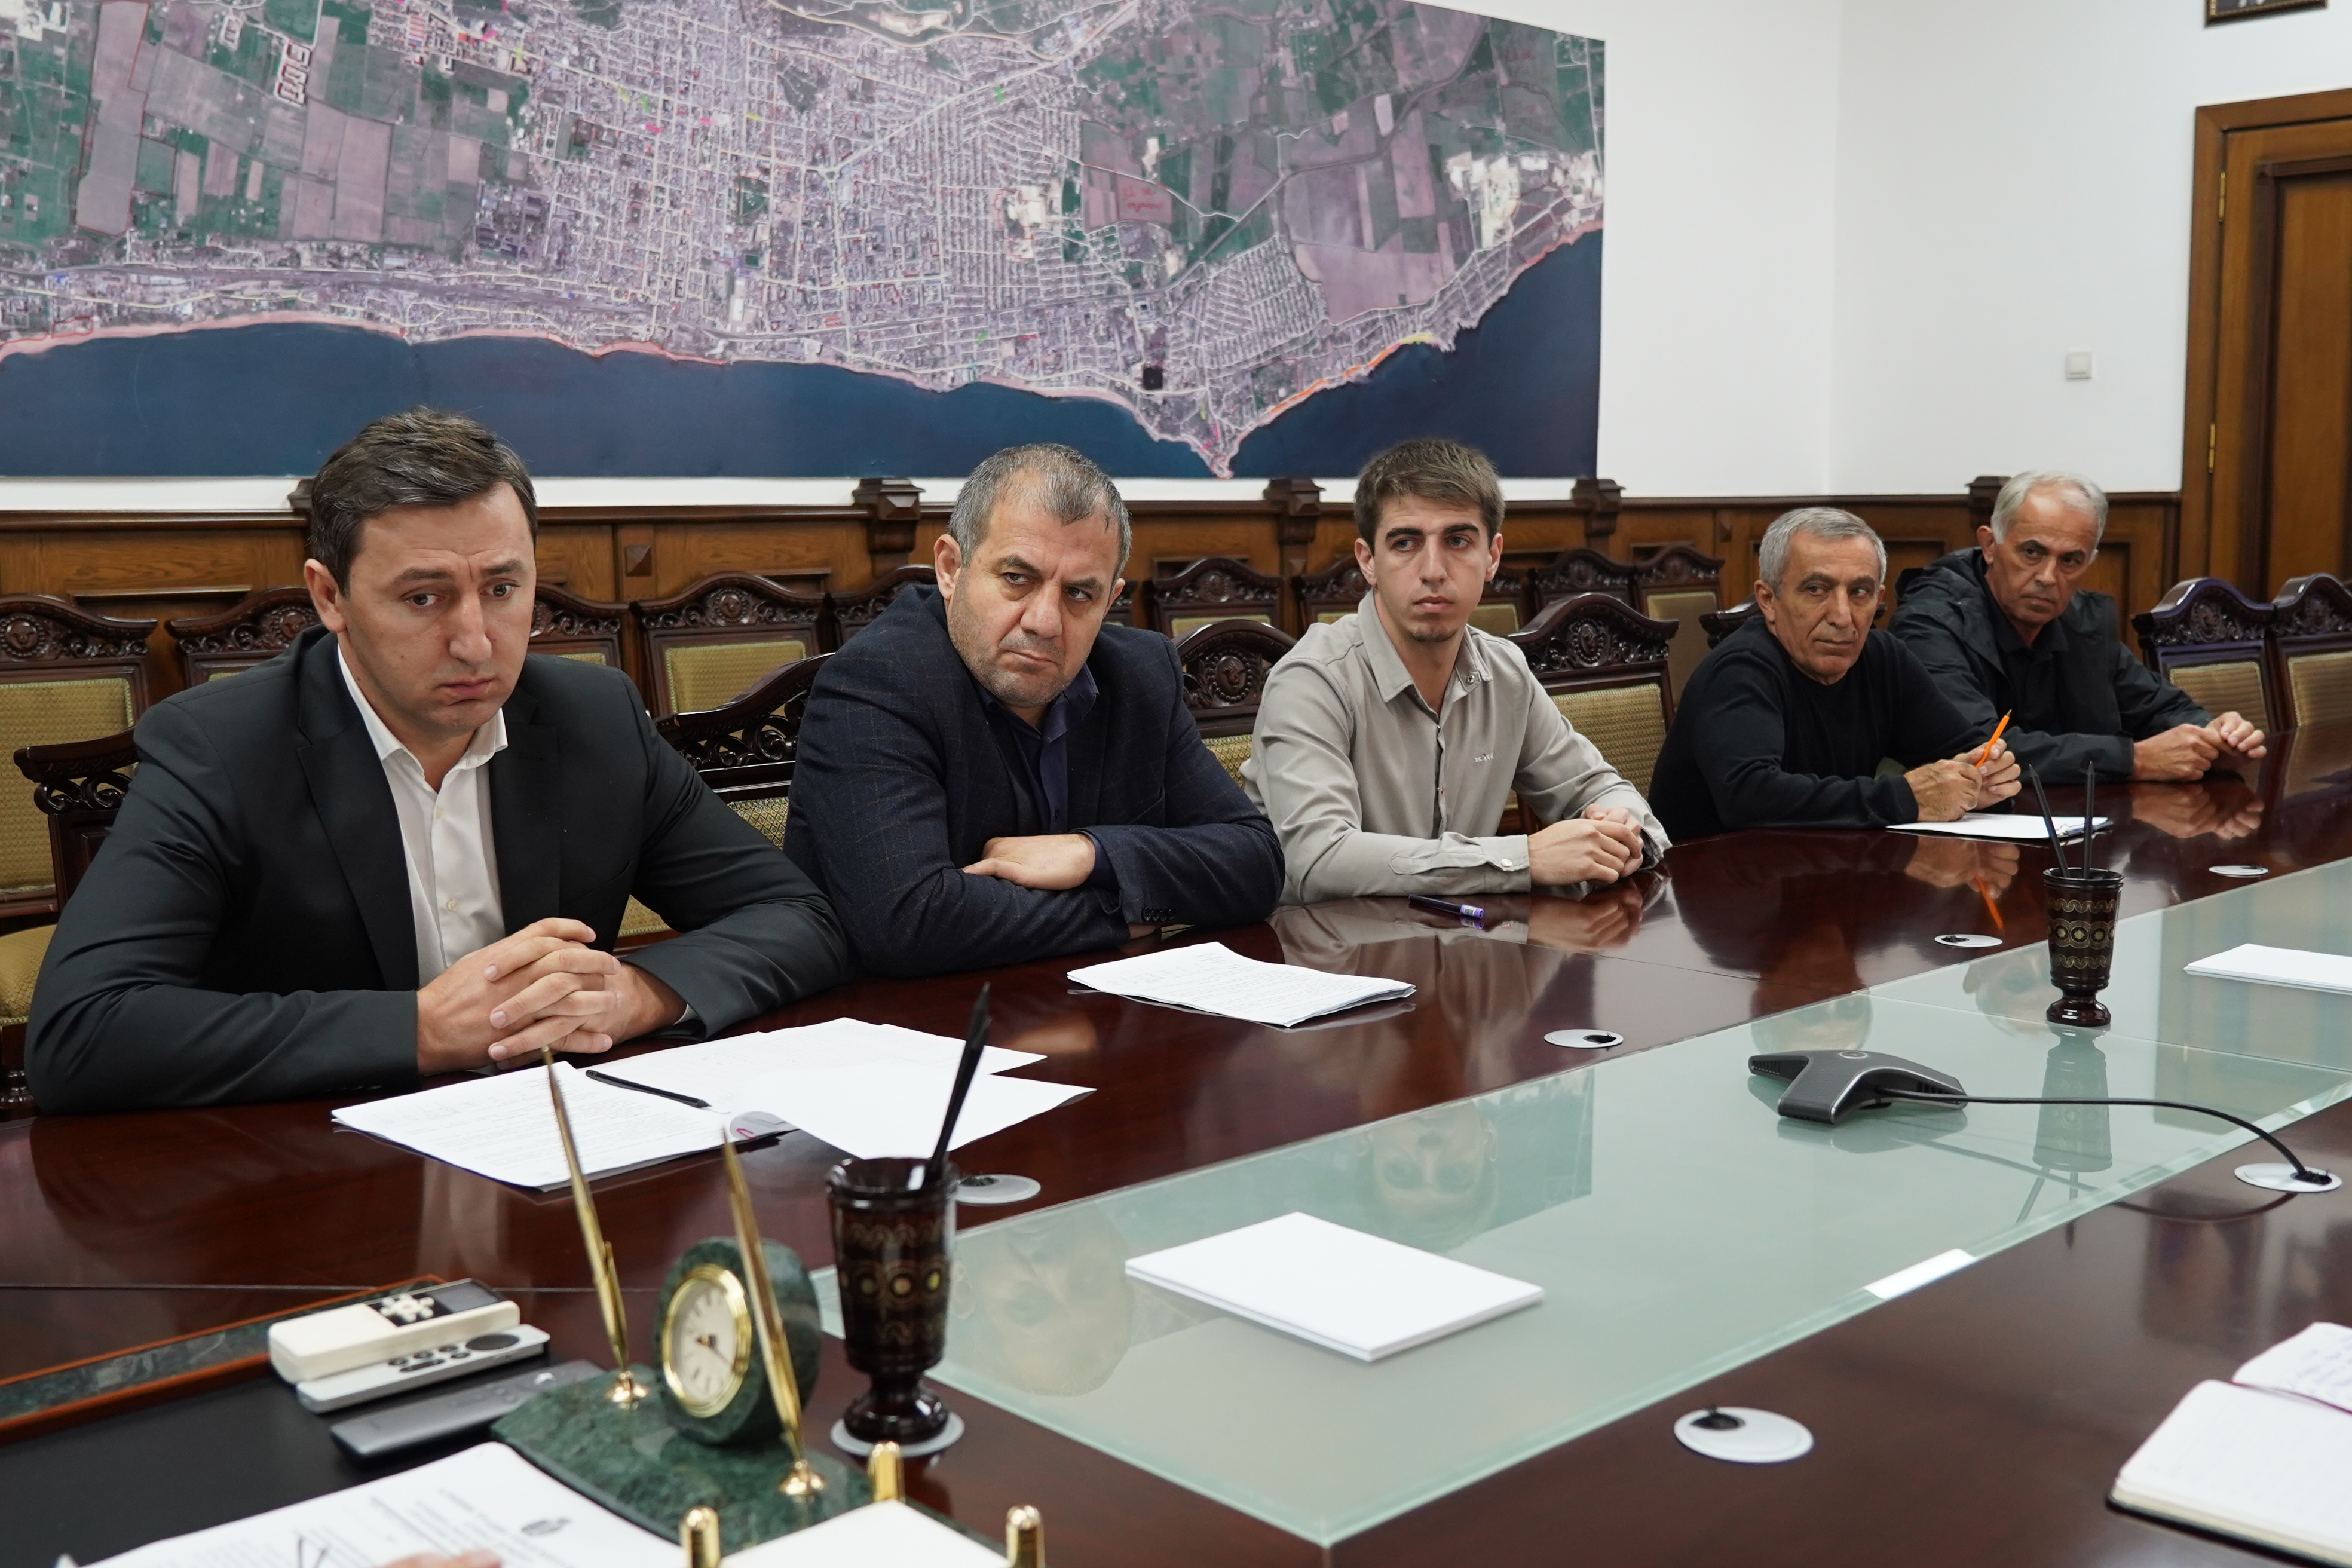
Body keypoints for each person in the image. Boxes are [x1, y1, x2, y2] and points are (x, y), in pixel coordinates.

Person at [29, 409, 851, 1113]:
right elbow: (80, 1033)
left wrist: (637, 993)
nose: (475, 643)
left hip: (554, 1146)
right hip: (314, 1167)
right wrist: (420, 1029)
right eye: (423, 598)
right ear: (329, 597)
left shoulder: (595, 718)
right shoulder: (221, 748)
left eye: (502, 589)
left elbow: (798, 918)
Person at [782, 443, 1282, 976]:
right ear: (950, 568)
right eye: (1017, 578)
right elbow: (910, 921)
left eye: (1079, 594)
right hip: (913, 1017)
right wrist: (1122, 908)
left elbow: (1256, 863)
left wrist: (1091, 854)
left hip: (1099, 1007)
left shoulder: (1140, 675)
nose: (1044, 622)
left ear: (1110, 600)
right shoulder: (876, 683)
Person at [1242, 438, 1665, 904]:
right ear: (1368, 562)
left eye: (1457, 541)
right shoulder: (1312, 680)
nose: (1433, 570)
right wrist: (1521, 859)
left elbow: (1600, 789)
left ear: (1492, 557)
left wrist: (1622, 833)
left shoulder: (1505, 672)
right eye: (1405, 543)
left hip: (1468, 938)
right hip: (1329, 945)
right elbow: (1318, 860)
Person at [1649, 507, 2021, 839]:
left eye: (1859, 592)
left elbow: (1963, 749)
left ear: (1878, 600)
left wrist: (1985, 777)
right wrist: (1906, 797)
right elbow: (1749, 796)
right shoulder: (1742, 668)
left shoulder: (1884, 659)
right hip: (1710, 880)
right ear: (1768, 600)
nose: (1843, 617)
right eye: (1816, 589)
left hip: (1825, 869)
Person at [1889, 470, 2265, 780]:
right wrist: (2132, 760)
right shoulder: (1931, 621)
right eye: (2032, 552)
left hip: (2078, 822)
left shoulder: (2082, 618)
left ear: (2090, 561)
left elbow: (2156, 706)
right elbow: (1976, 748)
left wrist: (2214, 736)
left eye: (2070, 560)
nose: (2048, 577)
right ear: (1990, 545)